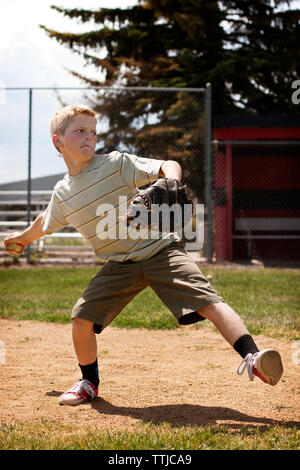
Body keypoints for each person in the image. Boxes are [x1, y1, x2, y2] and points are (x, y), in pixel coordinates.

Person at [4, 105, 283, 406]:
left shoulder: (115, 164)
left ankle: (253, 357)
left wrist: (171, 181)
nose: (90, 137)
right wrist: (21, 238)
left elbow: (167, 165)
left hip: (160, 250)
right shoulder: (63, 193)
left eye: (93, 131)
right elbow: (46, 222)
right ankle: (88, 383)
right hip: (119, 264)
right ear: (58, 141)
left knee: (208, 302)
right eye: (80, 131)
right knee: (81, 318)